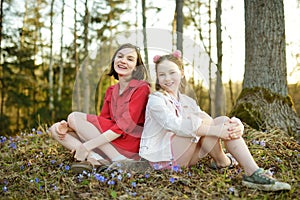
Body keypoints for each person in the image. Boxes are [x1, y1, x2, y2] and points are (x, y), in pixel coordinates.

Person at [139, 50, 291, 191]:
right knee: (200, 125)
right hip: (164, 158)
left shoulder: (186, 101)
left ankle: (253, 172)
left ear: (182, 73)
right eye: (162, 75)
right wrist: (216, 130)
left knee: (221, 120)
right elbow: (176, 125)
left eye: (172, 72)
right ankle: (224, 161)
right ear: (157, 78)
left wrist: (236, 126)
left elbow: (209, 121)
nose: (167, 78)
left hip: (186, 154)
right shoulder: (156, 100)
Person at [50, 43, 151, 172]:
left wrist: (87, 145)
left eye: (130, 59)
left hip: (128, 142)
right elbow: (101, 122)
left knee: (73, 117)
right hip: (109, 141)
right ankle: (95, 159)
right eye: (120, 56)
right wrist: (70, 128)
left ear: (136, 68)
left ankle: (118, 159)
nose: (123, 61)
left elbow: (125, 126)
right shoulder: (111, 90)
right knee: (55, 129)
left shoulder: (141, 88)